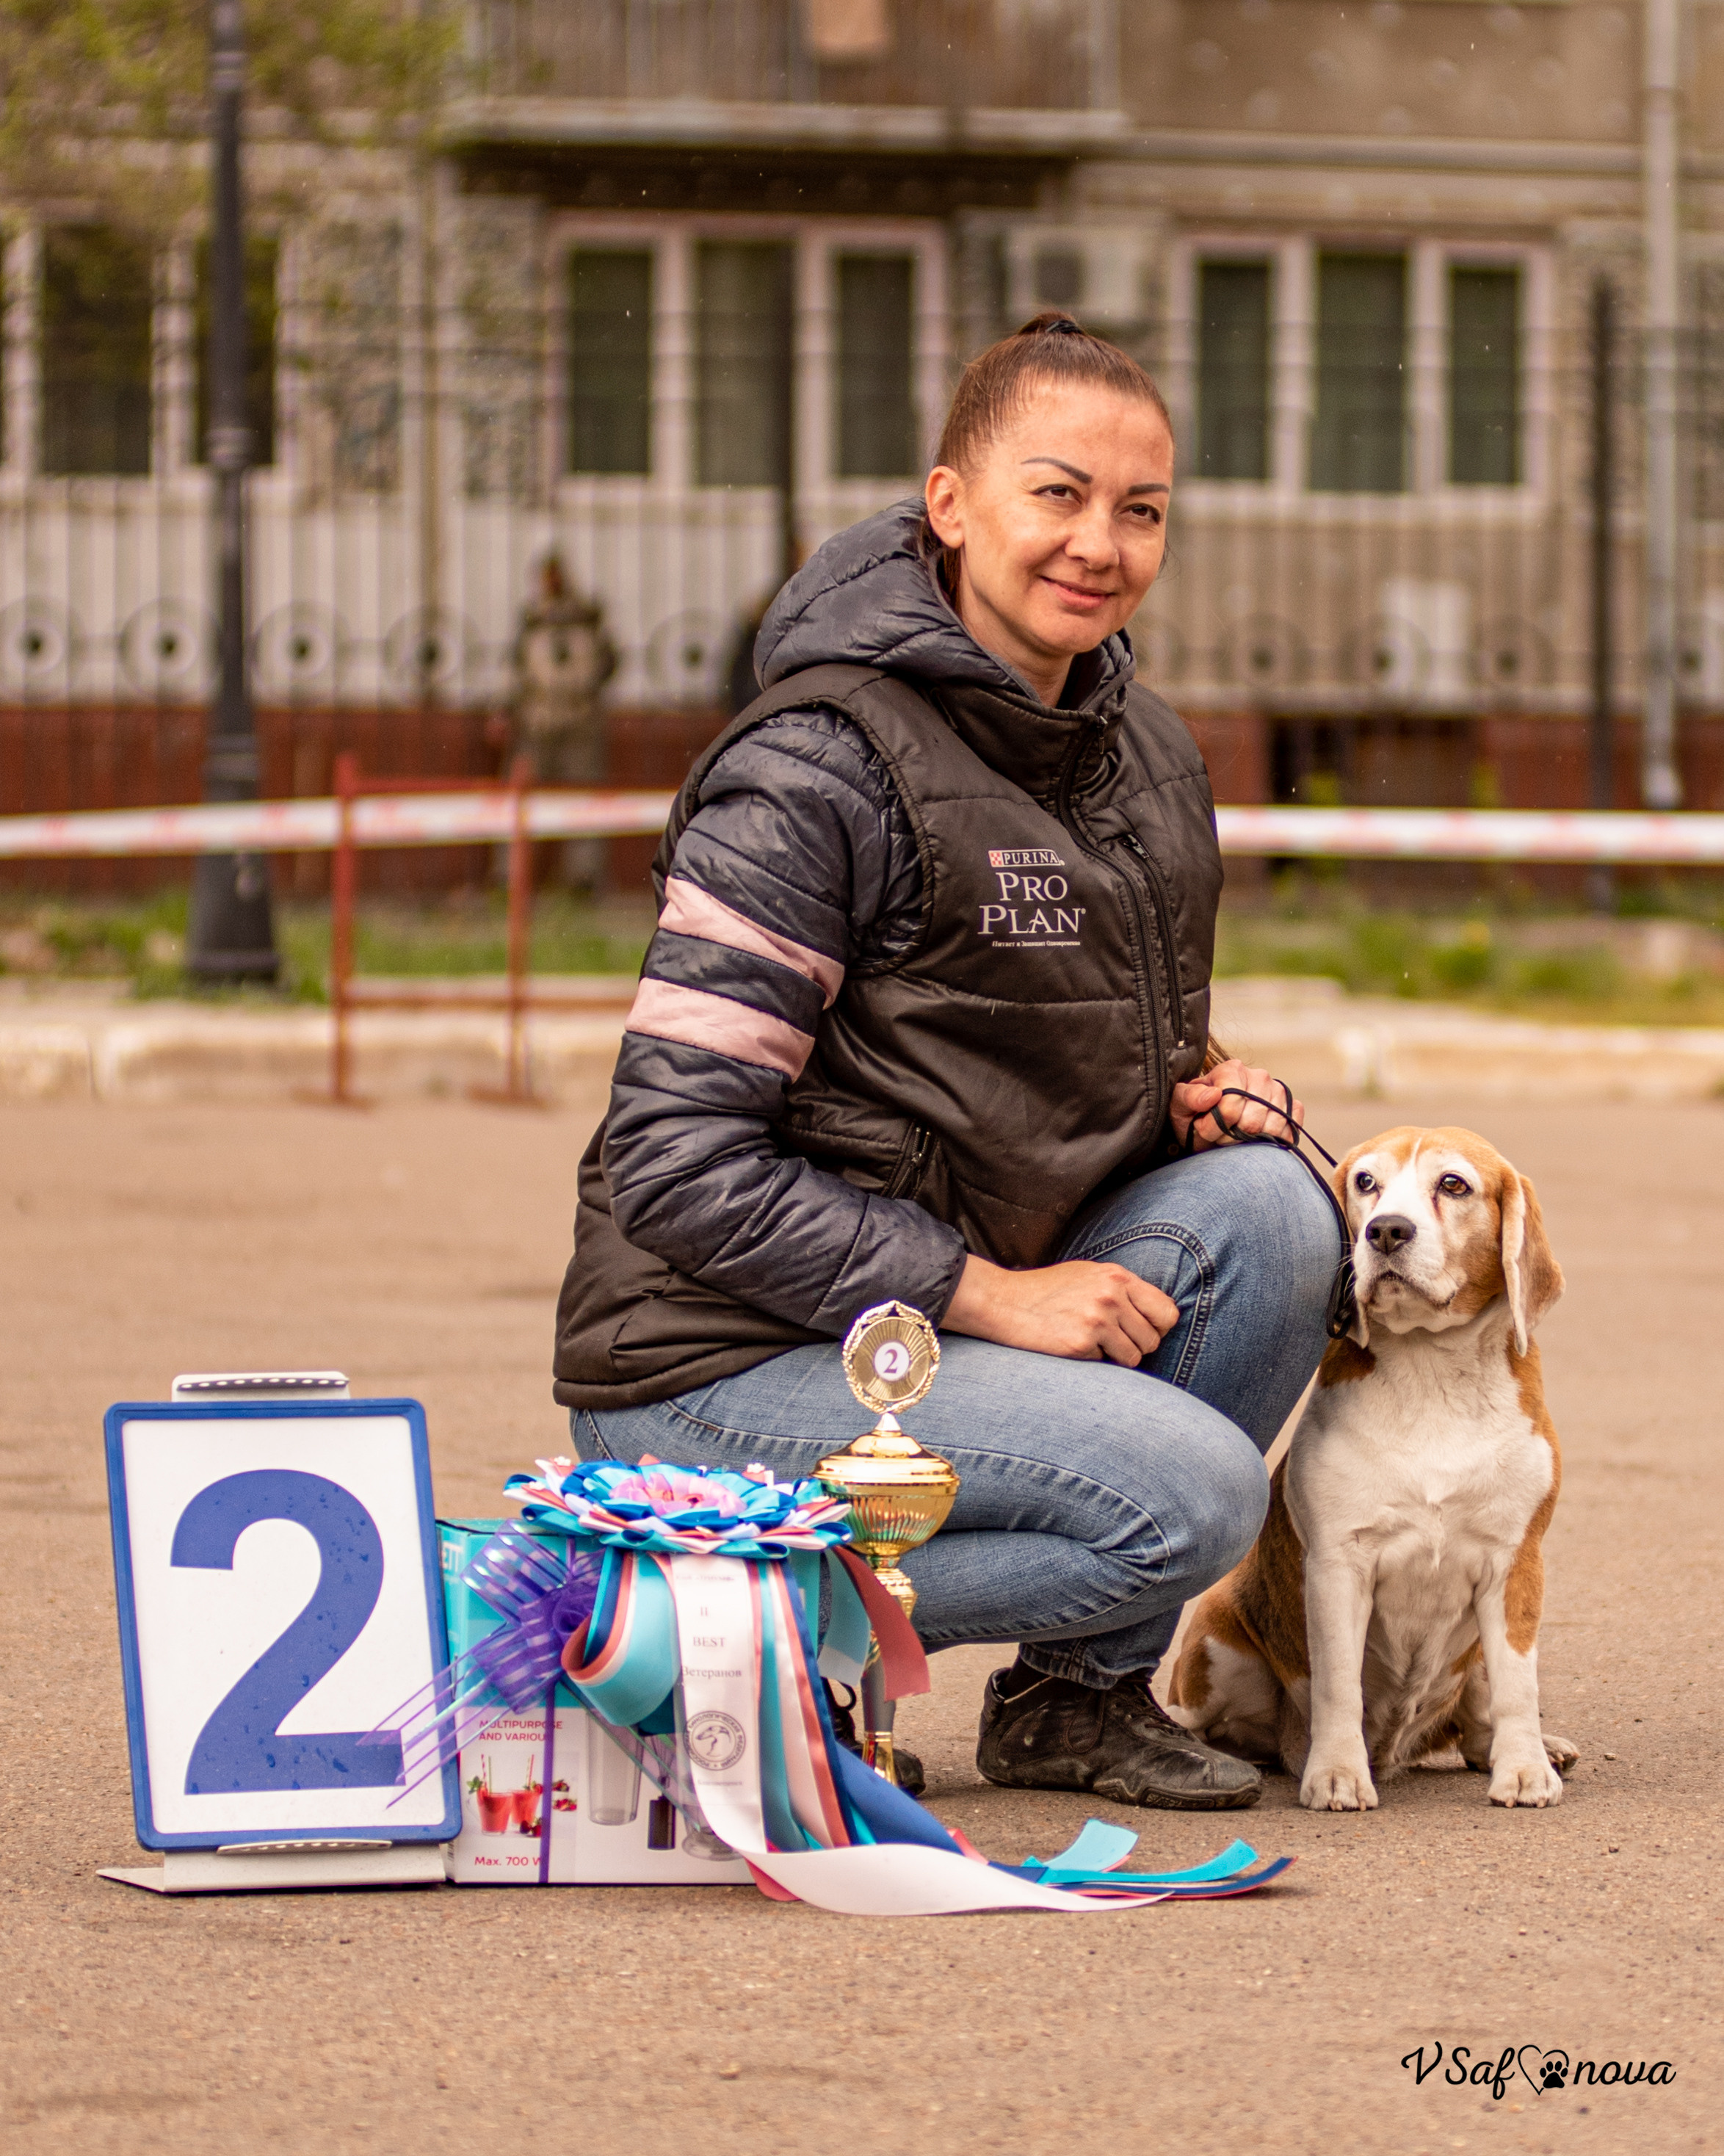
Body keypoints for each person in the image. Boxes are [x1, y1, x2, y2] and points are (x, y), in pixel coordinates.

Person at [552, 313, 1341, 1811]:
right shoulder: (814, 765)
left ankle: (1074, 1706)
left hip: (930, 1328)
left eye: (1141, 508)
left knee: (1269, 1211)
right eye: (1056, 493)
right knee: (1192, 1496)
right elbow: (673, 1156)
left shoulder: (1146, 755)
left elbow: (1073, 1034)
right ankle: (720, 1634)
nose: (1098, 543)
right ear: (950, 502)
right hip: (718, 1357)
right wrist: (987, 1296)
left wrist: (1204, 1096)